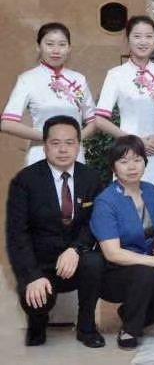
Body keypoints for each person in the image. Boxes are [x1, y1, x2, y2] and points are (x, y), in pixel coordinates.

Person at [6, 116, 105, 348]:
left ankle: (86, 327)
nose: (63, 149)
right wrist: (32, 275)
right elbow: (17, 235)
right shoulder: (25, 180)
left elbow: (95, 222)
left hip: (75, 259)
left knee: (94, 262)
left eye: (69, 143)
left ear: (78, 145)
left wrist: (75, 249)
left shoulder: (91, 178)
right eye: (55, 143)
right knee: (37, 300)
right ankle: (37, 323)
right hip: (40, 263)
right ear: (45, 145)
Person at [91, 136, 154, 349]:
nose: (131, 167)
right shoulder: (106, 201)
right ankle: (130, 330)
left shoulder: (150, 190)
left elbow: (153, 231)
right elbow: (112, 253)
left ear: (145, 162)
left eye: (137, 160)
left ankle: (130, 313)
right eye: (124, 161)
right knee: (145, 272)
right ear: (113, 167)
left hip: (147, 268)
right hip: (114, 272)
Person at [96, 15, 154, 235]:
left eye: (149, 36)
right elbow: (100, 119)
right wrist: (134, 142)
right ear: (127, 39)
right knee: (127, 206)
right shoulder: (116, 75)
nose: (143, 41)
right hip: (127, 154)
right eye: (137, 36)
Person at [2, 22, 96, 165]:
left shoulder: (79, 79)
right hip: (40, 155)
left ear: (69, 48)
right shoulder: (27, 79)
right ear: (38, 47)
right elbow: (7, 123)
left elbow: (93, 121)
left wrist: (73, 139)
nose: (56, 50)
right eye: (50, 44)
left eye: (62, 44)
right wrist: (49, 137)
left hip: (74, 156)